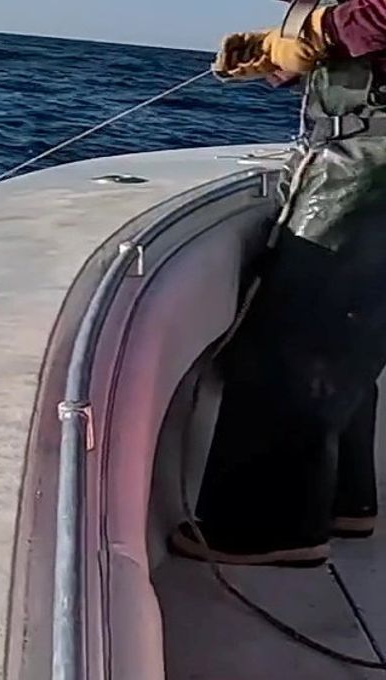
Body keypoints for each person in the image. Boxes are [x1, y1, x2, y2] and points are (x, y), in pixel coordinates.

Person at [169, 0, 386, 567]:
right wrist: (289, 51)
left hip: (372, 157)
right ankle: (345, 498)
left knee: (294, 334)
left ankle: (267, 527)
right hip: (356, 144)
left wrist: (318, 32)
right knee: (346, 325)